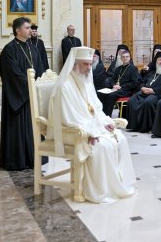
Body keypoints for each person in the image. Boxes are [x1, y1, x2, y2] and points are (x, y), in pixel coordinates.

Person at [47, 47, 136, 203]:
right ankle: (100, 191)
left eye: (90, 64)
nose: (89, 68)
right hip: (75, 131)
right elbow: (69, 117)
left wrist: (105, 122)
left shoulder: (86, 81)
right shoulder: (65, 86)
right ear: (74, 64)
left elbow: (96, 109)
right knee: (103, 146)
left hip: (92, 126)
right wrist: (90, 131)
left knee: (120, 139)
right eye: (85, 64)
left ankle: (118, 185)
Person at [0, 17, 43, 171]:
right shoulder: (9, 50)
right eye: (27, 27)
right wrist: (29, 85)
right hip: (17, 96)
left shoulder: (33, 48)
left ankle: (33, 157)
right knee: (17, 127)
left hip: (31, 96)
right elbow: (11, 74)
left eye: (30, 27)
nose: (30, 30)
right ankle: (16, 160)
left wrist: (37, 85)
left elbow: (40, 70)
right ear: (18, 30)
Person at [126, 52, 161, 132]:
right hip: (144, 92)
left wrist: (153, 90)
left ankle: (146, 127)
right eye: (159, 60)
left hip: (157, 94)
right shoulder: (152, 71)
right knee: (131, 101)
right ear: (156, 61)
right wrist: (142, 88)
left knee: (148, 102)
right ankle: (135, 125)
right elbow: (142, 81)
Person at [97, 50, 139, 117]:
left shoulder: (133, 69)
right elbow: (112, 79)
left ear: (130, 57)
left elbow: (134, 83)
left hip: (126, 90)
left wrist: (120, 87)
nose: (125, 58)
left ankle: (107, 116)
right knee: (101, 94)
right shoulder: (118, 69)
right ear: (121, 58)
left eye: (126, 57)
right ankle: (101, 116)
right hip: (116, 89)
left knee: (111, 95)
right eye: (123, 57)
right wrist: (114, 85)